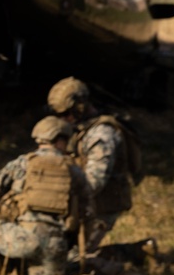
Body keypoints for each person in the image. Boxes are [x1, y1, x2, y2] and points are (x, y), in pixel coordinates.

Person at [0, 116, 92, 275]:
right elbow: (88, 208)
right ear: (61, 140)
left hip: (25, 239)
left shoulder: (23, 162)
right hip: (57, 243)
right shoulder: (74, 170)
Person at [47, 76, 138, 252]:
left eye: (66, 114)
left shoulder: (101, 135)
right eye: (58, 115)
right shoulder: (78, 128)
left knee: (69, 257)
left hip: (101, 207)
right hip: (80, 203)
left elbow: (94, 183)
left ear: (80, 107)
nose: (62, 119)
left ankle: (135, 253)